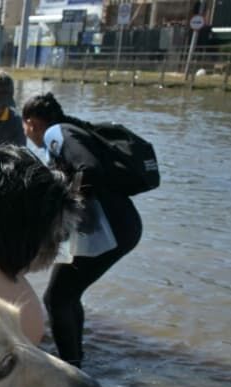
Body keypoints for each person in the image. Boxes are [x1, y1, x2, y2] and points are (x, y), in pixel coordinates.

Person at [21, 92, 143, 367]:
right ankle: (76, 360)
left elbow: (89, 168)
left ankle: (70, 368)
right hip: (122, 226)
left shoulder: (56, 132)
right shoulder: (72, 129)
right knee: (67, 294)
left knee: (56, 297)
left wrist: (66, 210)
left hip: (111, 230)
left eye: (25, 127)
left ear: (31, 123)